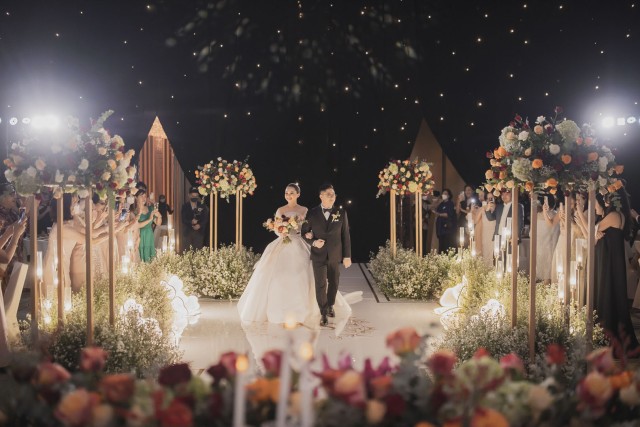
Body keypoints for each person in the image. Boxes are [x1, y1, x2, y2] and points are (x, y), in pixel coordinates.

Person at [238, 184, 321, 324]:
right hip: (283, 242)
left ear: (298, 194)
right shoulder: (280, 210)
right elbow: (277, 228)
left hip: (299, 242)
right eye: (286, 193)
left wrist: (308, 233)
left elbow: (308, 227)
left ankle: (302, 311)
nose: (289, 195)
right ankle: (279, 311)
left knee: (301, 274)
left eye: (292, 193)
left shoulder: (304, 210)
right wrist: (281, 231)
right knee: (277, 275)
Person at [593, 191, 639, 354]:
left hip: (611, 263)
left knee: (610, 295)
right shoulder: (618, 215)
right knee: (612, 296)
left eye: (607, 198)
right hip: (612, 262)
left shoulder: (614, 215)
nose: (604, 201)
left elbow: (594, 230)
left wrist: (596, 231)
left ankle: (610, 338)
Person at [302, 183, 352, 326]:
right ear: (321, 196)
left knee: (334, 282)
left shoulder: (341, 212)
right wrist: (313, 242)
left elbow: (345, 235)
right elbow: (304, 233)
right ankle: (323, 312)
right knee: (321, 284)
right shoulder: (312, 213)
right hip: (318, 254)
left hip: (335, 254)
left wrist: (347, 256)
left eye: (333, 194)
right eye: (329, 194)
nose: (332, 197)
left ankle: (330, 305)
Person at [134, 189, 161, 262]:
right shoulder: (134, 212)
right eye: (141, 196)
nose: (144, 198)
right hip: (140, 236)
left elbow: (158, 223)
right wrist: (149, 219)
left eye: (145, 196)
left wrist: (159, 216)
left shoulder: (150, 209)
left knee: (150, 258)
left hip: (149, 235)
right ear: (136, 198)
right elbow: (137, 226)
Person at [433, 189, 456, 253]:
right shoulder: (441, 204)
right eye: (443, 193)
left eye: (445, 193)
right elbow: (436, 211)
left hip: (446, 228)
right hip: (440, 229)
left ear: (449, 195)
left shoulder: (450, 203)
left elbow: (448, 214)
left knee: (446, 246)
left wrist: (439, 214)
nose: (443, 195)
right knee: (441, 246)